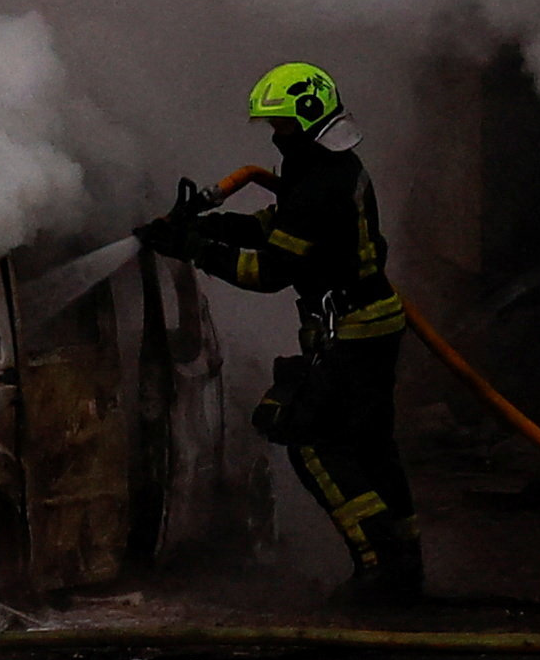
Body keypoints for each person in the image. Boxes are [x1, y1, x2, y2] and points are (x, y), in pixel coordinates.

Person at [139, 61, 423, 604]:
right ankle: (404, 565)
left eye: (283, 126)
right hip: (368, 325)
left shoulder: (321, 184)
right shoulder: (332, 170)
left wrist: (196, 251)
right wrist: (206, 226)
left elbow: (268, 273)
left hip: (353, 334)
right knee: (371, 447)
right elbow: (276, 227)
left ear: (311, 119)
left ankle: (378, 570)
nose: (276, 137)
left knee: (309, 440)